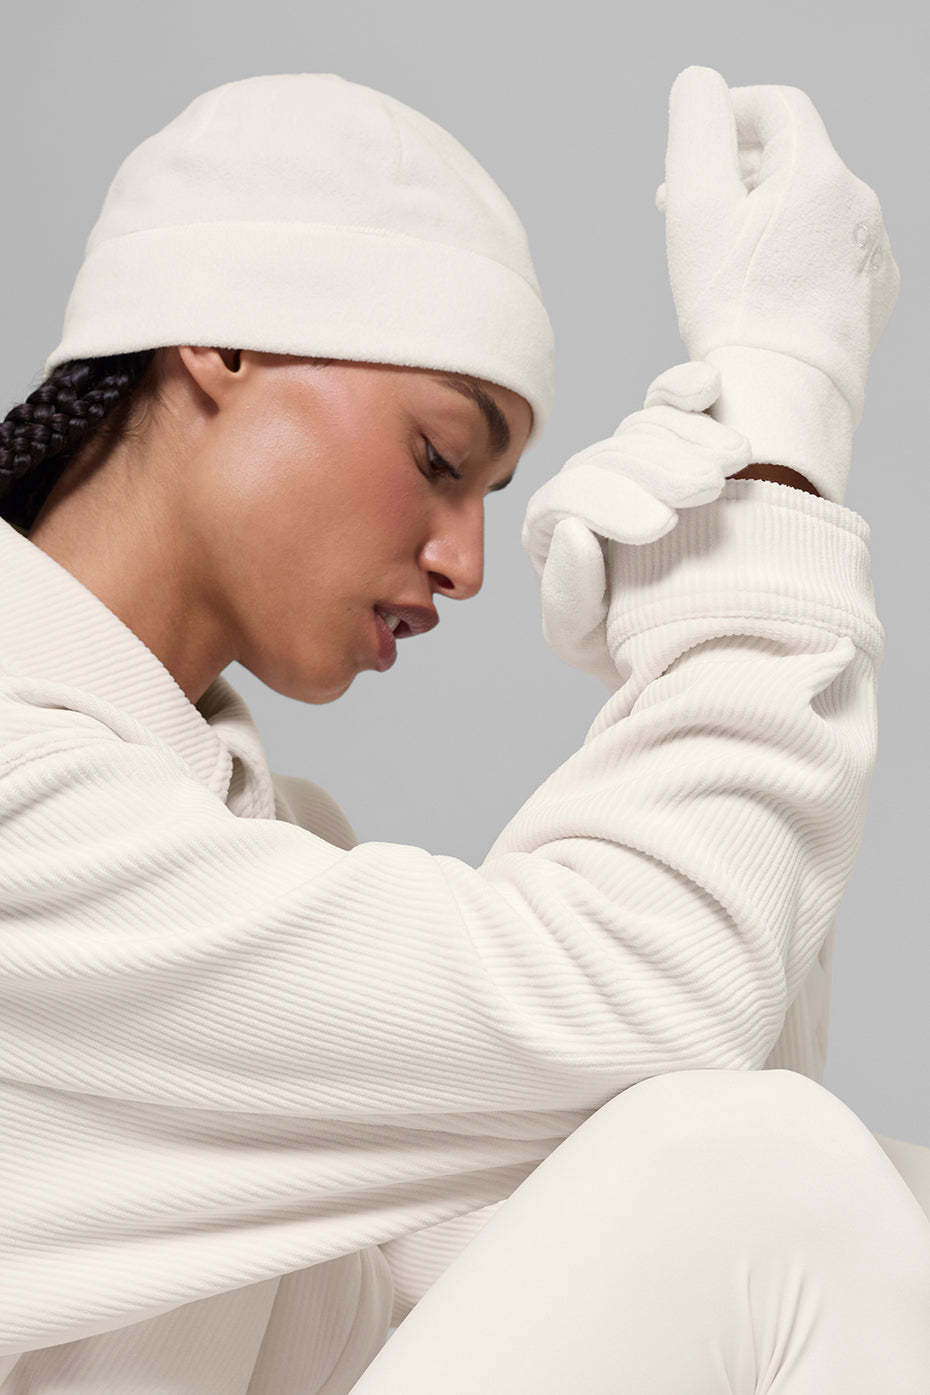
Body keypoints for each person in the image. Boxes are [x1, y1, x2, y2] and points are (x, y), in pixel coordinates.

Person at [0, 64, 926, 1393]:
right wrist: (774, 444)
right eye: (440, 458)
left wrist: (675, 673)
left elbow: (652, 1143)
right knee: (779, 1177)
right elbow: (681, 1043)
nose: (467, 563)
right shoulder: (23, 802)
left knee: (873, 1190)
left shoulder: (257, 831)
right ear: (220, 341)